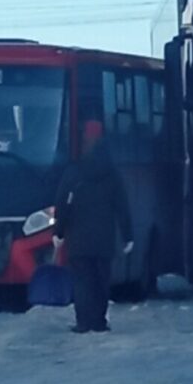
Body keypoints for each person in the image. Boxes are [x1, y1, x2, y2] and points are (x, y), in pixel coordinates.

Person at [53, 121, 134, 334]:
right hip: (104, 238)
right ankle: (99, 321)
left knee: (82, 281)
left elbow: (62, 204)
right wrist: (128, 235)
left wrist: (59, 232)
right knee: (101, 280)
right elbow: (122, 206)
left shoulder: (74, 172)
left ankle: (83, 321)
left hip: (78, 239)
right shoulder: (112, 174)